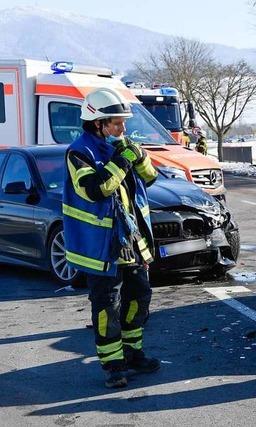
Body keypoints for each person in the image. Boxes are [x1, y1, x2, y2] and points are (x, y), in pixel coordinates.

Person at [63, 88, 160, 388]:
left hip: (130, 242)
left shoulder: (122, 146)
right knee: (108, 307)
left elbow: (151, 177)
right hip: (100, 248)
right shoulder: (79, 152)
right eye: (117, 123)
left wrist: (139, 156)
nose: (123, 128)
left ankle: (134, 354)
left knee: (139, 297)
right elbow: (96, 189)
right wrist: (122, 161)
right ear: (98, 123)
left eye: (123, 123)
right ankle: (113, 365)